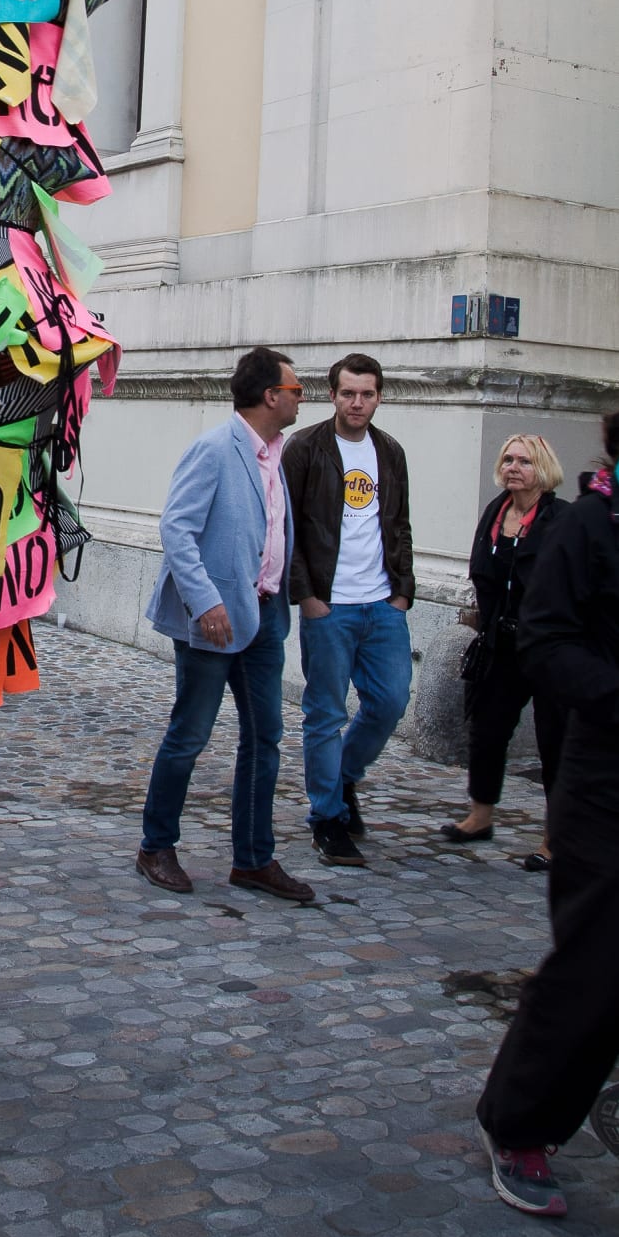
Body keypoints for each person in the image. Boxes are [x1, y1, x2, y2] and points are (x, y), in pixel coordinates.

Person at [475, 411, 619, 1219]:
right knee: (596, 966)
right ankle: (518, 1124)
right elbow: (545, 641)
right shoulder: (588, 528)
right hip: (604, 781)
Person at [135, 345, 316, 904]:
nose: (300, 398)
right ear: (270, 396)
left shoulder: (275, 454)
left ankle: (254, 860)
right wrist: (206, 601)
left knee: (266, 737)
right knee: (189, 734)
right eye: (296, 390)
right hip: (213, 621)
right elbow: (177, 528)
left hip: (264, 614)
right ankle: (156, 846)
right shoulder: (216, 449)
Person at [282, 353, 415, 869]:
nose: (358, 403)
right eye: (348, 393)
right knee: (325, 713)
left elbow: (399, 522)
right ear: (332, 394)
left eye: (367, 394)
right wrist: (308, 596)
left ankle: (343, 776)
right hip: (329, 606)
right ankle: (328, 818)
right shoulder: (306, 448)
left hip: (383, 605)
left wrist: (402, 592)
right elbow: (289, 526)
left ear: (380, 396)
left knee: (389, 702)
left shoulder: (390, 452)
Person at [441, 434, 567, 868]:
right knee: (487, 730)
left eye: (525, 461)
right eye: (508, 459)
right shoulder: (495, 513)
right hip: (500, 643)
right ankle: (481, 816)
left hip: (550, 648)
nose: (514, 467)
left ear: (544, 470)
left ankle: (555, 838)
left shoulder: (561, 519)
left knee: (557, 742)